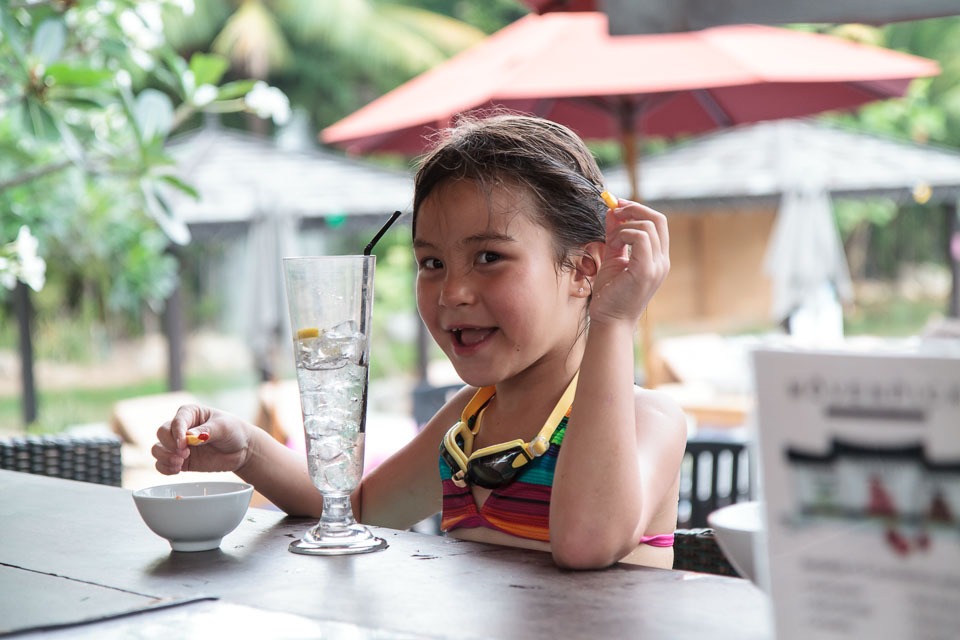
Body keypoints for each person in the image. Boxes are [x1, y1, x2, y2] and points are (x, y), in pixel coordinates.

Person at [152, 114, 686, 570]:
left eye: (489, 257)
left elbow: (586, 542)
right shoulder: (469, 421)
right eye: (431, 263)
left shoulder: (649, 420)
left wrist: (614, 320)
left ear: (584, 270)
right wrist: (247, 448)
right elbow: (361, 508)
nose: (452, 293)